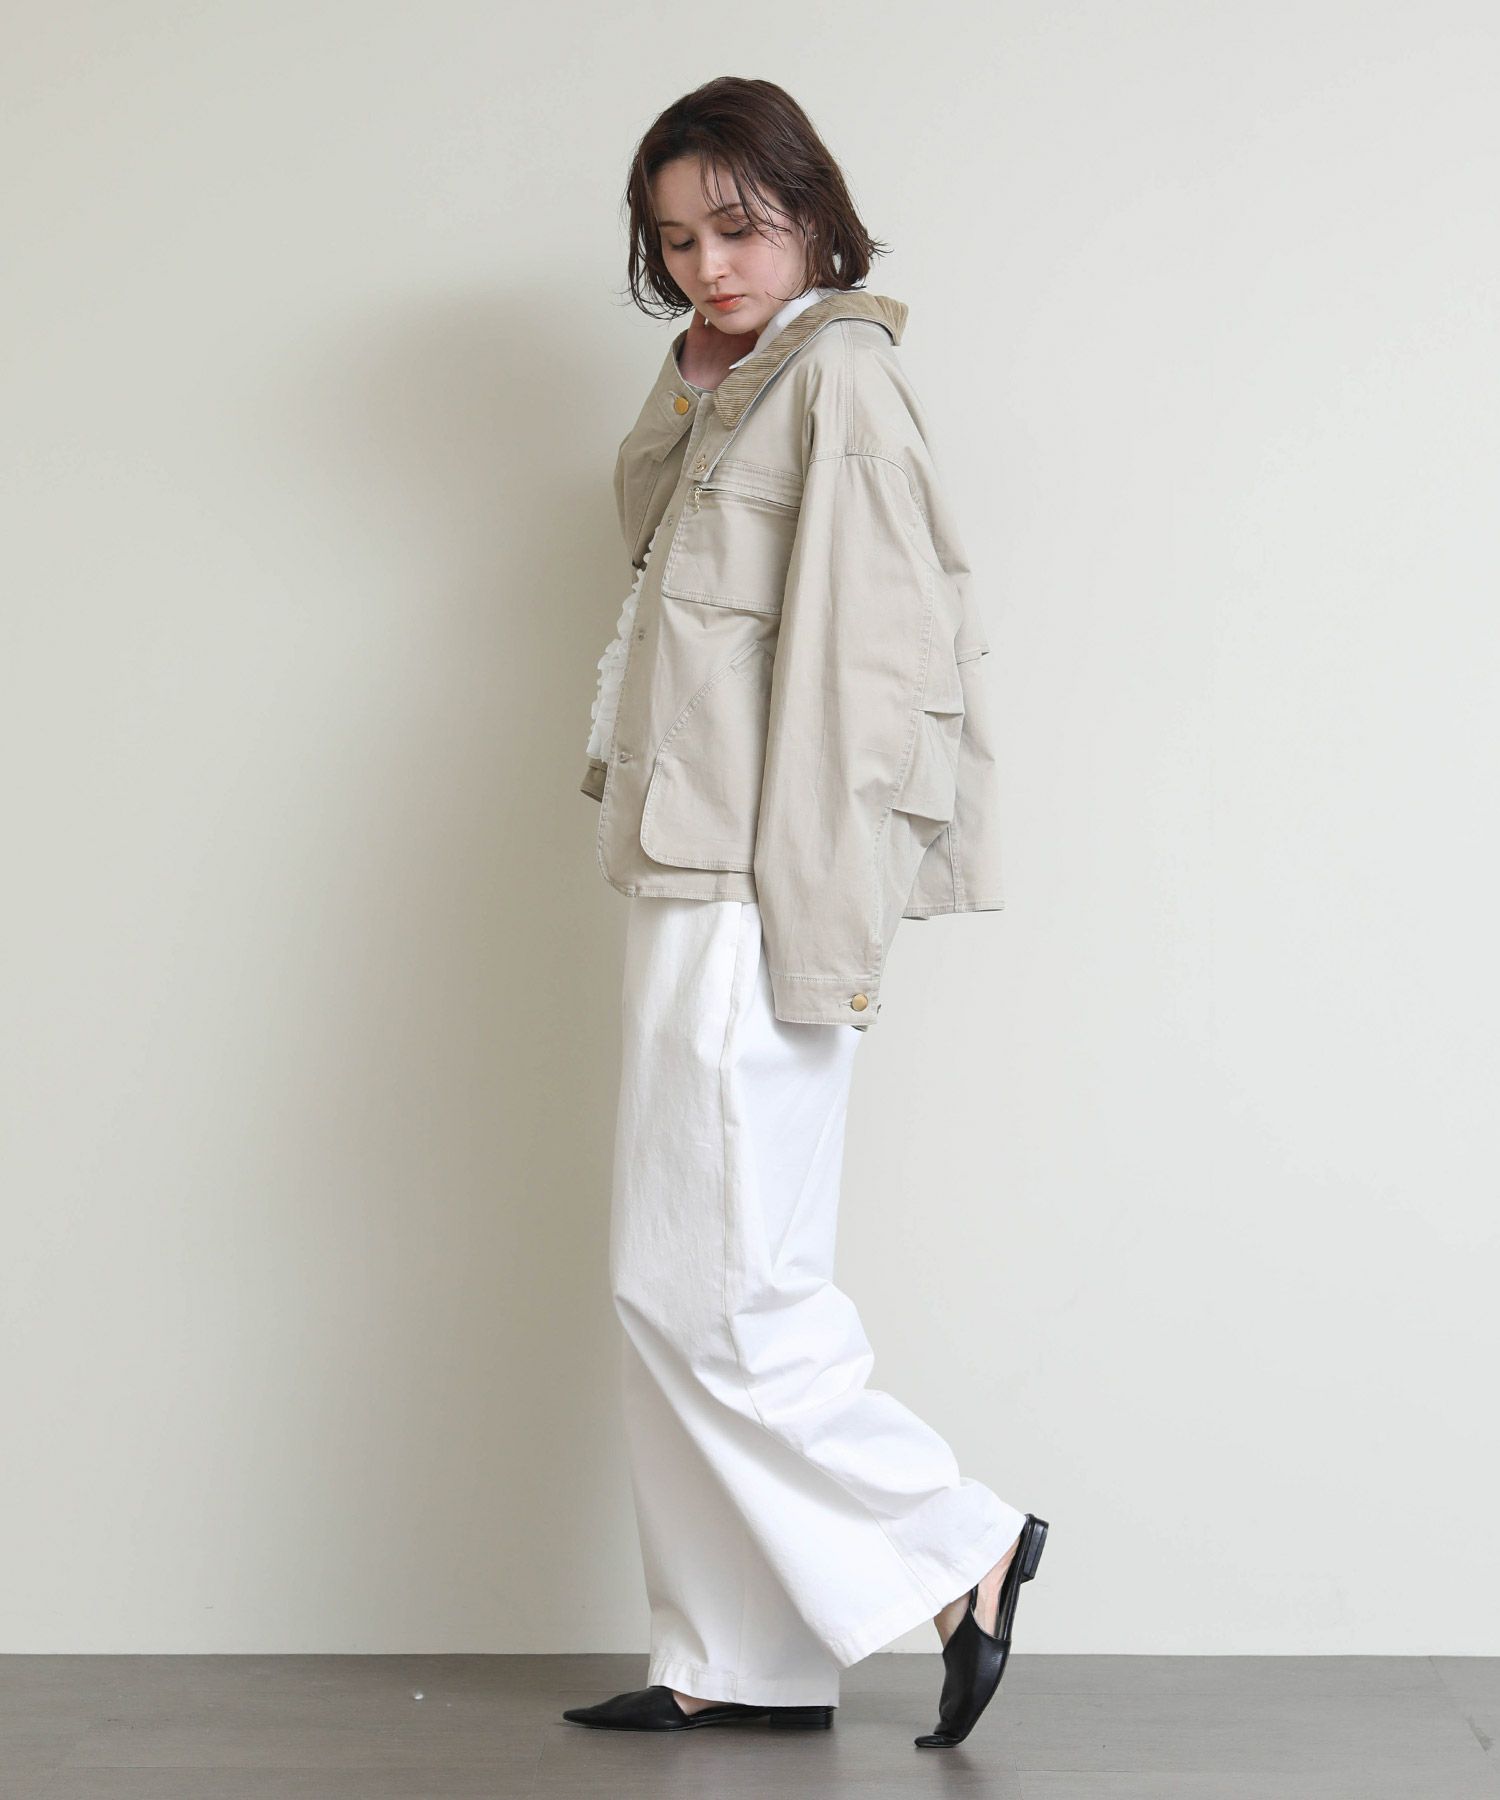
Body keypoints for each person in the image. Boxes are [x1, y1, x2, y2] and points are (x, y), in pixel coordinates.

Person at [567, 77, 1049, 1750]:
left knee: (717, 1286)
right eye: (677, 242)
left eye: (738, 227)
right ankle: (739, 1650)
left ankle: (959, 1541)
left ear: (812, 209)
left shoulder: (843, 380)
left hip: (758, 887)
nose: (708, 265)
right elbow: (653, 553)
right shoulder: (748, 377)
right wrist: (694, 377)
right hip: (683, 860)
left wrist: (821, 934)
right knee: (684, 1271)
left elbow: (863, 685)